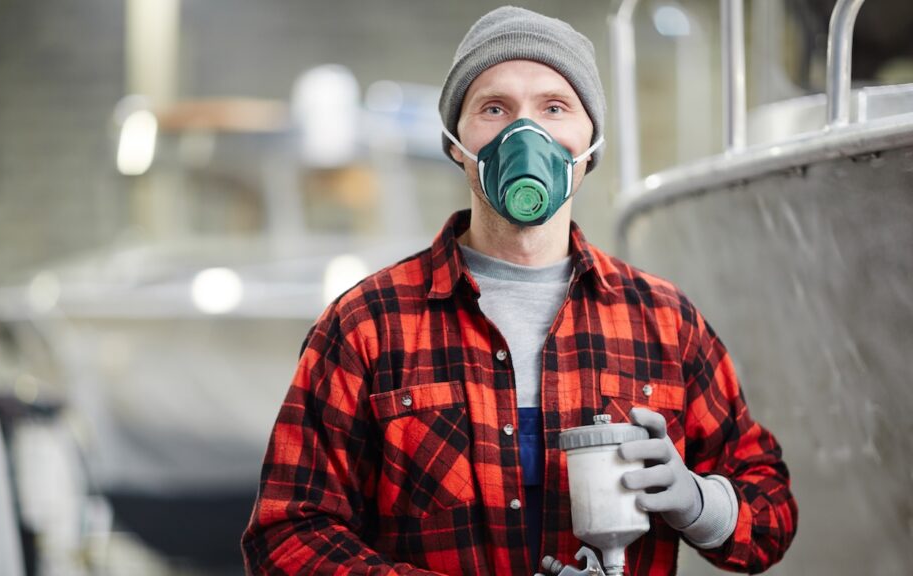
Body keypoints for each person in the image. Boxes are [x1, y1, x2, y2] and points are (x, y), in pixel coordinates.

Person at [242, 6, 797, 575]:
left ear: (590, 143)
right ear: (456, 143)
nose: (524, 134)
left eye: (555, 107)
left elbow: (771, 511)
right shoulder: (368, 325)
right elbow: (287, 534)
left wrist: (698, 502)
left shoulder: (664, 324)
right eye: (493, 108)